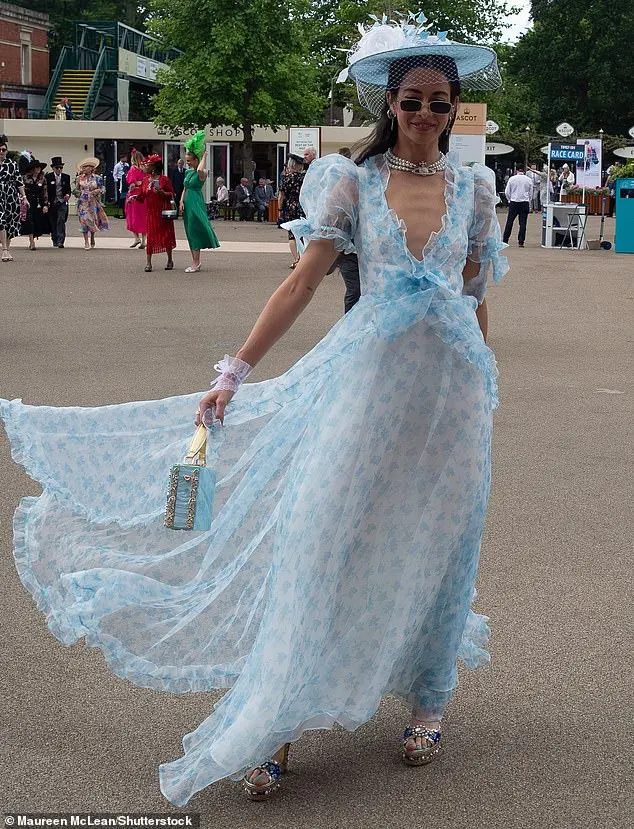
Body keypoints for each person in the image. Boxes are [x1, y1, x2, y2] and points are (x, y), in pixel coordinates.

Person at [0, 13, 508, 807]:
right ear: (389, 103)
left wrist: (488, 383)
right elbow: (301, 283)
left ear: (454, 109)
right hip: (365, 387)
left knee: (439, 543)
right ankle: (272, 721)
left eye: (441, 102)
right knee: (318, 542)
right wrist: (233, 371)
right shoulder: (352, 182)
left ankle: (429, 698)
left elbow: (476, 297)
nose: (425, 115)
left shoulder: (475, 190)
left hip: (450, 403)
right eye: (412, 100)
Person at [129, 154, 176, 272]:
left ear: (154, 167)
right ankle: (148, 262)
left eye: (148, 165)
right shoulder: (145, 180)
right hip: (151, 212)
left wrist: (161, 192)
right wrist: (134, 197)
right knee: (150, 236)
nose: (145, 167)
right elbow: (142, 196)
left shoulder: (164, 179)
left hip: (163, 210)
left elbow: (172, 194)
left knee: (166, 235)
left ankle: (170, 259)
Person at [181, 131, 220, 273]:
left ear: (196, 160)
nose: (187, 162)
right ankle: (195, 261)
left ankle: (196, 263)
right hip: (187, 203)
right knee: (190, 231)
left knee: (195, 230)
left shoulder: (201, 173)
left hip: (196, 203)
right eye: (186, 160)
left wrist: (204, 157)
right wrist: (181, 201)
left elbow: (199, 169)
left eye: (189, 160)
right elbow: (185, 188)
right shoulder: (187, 172)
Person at [328, 147, 361, 312]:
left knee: (363, 291)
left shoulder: (368, 196)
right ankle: (348, 321)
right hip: (348, 252)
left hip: (364, 253)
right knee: (355, 291)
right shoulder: (339, 193)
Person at [0, 134, 28, 261]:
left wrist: (24, 197)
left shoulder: (11, 163)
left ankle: (7, 249)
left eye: (3, 150)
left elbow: (19, 181)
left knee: (10, 221)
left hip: (10, 195)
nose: (1, 152)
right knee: (1, 221)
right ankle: (4, 250)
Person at [73, 158, 109, 250]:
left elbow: (103, 189)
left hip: (93, 202)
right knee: (84, 220)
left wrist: (98, 190)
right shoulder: (79, 178)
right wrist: (76, 193)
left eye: (86, 167)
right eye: (83, 167)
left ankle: (92, 237)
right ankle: (86, 241)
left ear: (91, 168)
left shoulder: (97, 178)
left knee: (92, 221)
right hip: (83, 203)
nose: (84, 169)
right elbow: (77, 189)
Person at [278, 154, 305, 268]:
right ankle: (304, 258)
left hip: (290, 206)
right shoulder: (303, 178)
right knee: (303, 232)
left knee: (292, 234)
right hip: (302, 206)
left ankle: (296, 259)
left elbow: (281, 196)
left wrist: (279, 209)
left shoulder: (286, 179)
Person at [19, 154, 49, 250]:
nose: (38, 169)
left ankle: (34, 238)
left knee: (37, 221)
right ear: (32, 169)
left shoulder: (43, 179)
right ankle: (31, 241)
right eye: (36, 167)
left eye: (39, 167)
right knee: (29, 220)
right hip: (27, 201)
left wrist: (45, 204)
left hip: (38, 201)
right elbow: (20, 189)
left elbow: (45, 192)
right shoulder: (25, 178)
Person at [45, 156, 72, 248]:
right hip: (52, 202)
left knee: (61, 220)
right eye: (57, 168)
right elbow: (45, 191)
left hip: (62, 202)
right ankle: (54, 239)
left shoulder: (66, 177)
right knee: (52, 221)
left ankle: (61, 240)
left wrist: (68, 195)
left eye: (61, 167)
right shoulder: (48, 177)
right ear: (53, 168)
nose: (59, 169)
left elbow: (68, 189)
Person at [503, 166, 533, 247]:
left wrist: (510, 199)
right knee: (523, 223)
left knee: (509, 221)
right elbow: (531, 193)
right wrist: (528, 201)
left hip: (514, 202)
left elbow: (507, 192)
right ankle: (521, 241)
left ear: (516, 171)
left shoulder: (512, 179)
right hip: (524, 202)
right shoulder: (528, 180)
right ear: (524, 171)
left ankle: (505, 239)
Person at [125, 150, 147, 249]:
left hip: (134, 194)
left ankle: (136, 237)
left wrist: (132, 187)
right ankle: (144, 239)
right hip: (143, 194)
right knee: (143, 216)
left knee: (132, 216)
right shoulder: (145, 169)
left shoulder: (133, 169)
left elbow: (132, 183)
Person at [113, 153, 130, 220]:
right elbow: (115, 174)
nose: (126, 159)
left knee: (126, 197)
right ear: (121, 158)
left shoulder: (127, 165)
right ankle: (122, 210)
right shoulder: (117, 165)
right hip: (120, 181)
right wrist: (117, 180)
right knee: (122, 197)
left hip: (126, 181)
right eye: (125, 158)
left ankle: (127, 212)